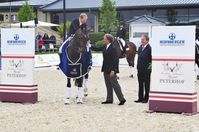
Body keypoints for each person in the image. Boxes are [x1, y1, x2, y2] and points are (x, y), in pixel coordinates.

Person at [101, 34, 126, 106]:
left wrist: (114, 70)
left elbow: (115, 60)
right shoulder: (104, 46)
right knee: (108, 84)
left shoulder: (113, 48)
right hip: (105, 68)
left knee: (115, 84)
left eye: (104, 38)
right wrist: (88, 44)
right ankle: (109, 99)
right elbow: (97, 48)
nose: (103, 40)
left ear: (108, 40)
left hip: (111, 69)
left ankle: (122, 99)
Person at [135, 35, 152, 103]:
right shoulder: (139, 48)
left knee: (146, 84)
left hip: (146, 70)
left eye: (143, 39)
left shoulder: (149, 48)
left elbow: (151, 60)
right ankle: (140, 98)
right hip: (140, 69)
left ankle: (146, 98)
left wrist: (149, 68)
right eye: (141, 39)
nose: (141, 41)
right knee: (140, 84)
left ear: (147, 41)